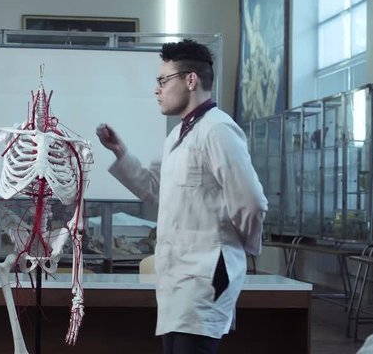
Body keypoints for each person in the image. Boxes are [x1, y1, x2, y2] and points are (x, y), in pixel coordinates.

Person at [96, 39, 268, 354]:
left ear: (190, 80)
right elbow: (155, 190)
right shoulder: (178, 134)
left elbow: (252, 202)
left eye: (163, 81)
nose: (157, 90)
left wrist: (237, 248)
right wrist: (121, 152)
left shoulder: (217, 131)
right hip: (177, 280)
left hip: (204, 275)